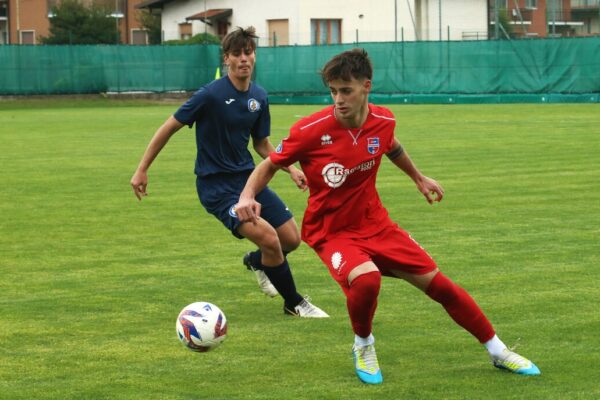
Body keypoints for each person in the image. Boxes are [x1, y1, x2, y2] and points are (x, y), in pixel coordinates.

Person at [235, 48, 540, 384]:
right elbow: (268, 164)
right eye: (333, 91)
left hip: (377, 225)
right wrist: (248, 195)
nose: (338, 99)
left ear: (367, 86)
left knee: (442, 287)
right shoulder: (311, 130)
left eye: (346, 90)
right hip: (331, 232)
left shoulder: (384, 120)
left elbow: (391, 146)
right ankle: (363, 345)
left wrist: (418, 177)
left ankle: (498, 351)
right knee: (367, 279)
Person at [130, 27, 328, 319]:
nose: (244, 59)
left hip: (249, 180)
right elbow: (168, 128)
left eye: (248, 52)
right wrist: (142, 169)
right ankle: (294, 303)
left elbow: (261, 144)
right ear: (227, 59)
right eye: (237, 54)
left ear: (254, 56)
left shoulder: (259, 96)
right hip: (217, 188)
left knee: (290, 240)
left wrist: (291, 169)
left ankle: (257, 262)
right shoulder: (209, 95)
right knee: (270, 239)